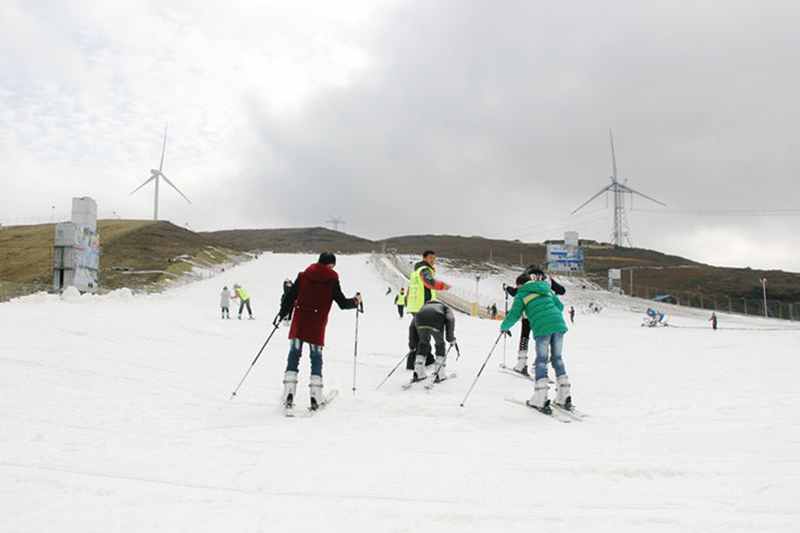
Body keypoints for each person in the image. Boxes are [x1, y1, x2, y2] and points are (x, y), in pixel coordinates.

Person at [278, 252, 361, 410]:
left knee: (294, 353)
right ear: (330, 265)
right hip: (317, 323)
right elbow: (342, 303)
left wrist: (281, 314)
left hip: (300, 320)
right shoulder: (332, 279)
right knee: (315, 356)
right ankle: (315, 395)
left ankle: (289, 392)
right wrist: (356, 301)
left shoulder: (303, 276)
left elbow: (290, 296)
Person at [501, 271, 571, 414]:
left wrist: (504, 327)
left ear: (520, 284)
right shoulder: (546, 289)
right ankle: (564, 395)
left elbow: (514, 314)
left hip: (542, 328)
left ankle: (540, 397)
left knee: (541, 360)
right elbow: (560, 307)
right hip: (559, 325)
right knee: (557, 358)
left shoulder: (522, 294)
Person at [504, 267, 565, 376]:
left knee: (524, 336)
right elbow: (562, 291)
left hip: (528, 313)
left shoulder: (526, 280)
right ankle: (540, 365)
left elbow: (516, 292)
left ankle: (521, 363)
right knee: (546, 339)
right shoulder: (546, 281)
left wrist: (507, 288)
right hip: (547, 315)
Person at [405, 250, 451, 371]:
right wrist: (442, 286)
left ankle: (415, 361)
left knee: (416, 332)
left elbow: (411, 289)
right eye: (431, 258)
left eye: (434, 258)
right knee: (424, 335)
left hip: (416, 306)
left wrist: (407, 302)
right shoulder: (424, 270)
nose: (433, 260)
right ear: (424, 258)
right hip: (422, 306)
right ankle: (424, 361)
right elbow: (429, 282)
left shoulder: (415, 271)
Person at [411, 300, 456, 383]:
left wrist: (412, 344)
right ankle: (440, 373)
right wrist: (450, 338)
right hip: (436, 322)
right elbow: (450, 319)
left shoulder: (423, 307)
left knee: (423, 343)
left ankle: (418, 372)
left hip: (420, 322)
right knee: (440, 344)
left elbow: (412, 326)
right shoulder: (445, 307)